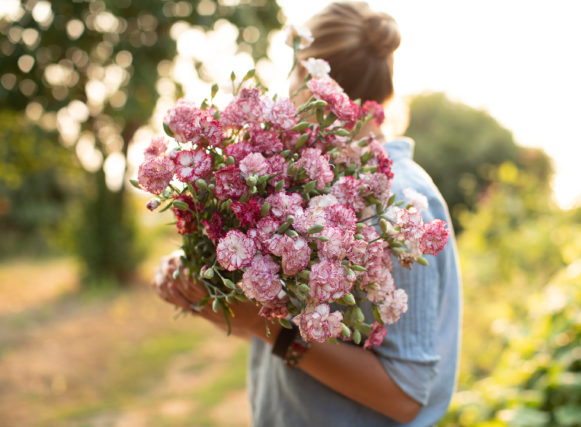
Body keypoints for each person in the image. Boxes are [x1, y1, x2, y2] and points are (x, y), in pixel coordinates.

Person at [154, 2, 462, 425]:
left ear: (308, 75)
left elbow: (406, 396)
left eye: (292, 69)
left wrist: (272, 331)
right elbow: (293, 336)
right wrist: (208, 294)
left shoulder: (402, 204)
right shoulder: (310, 188)